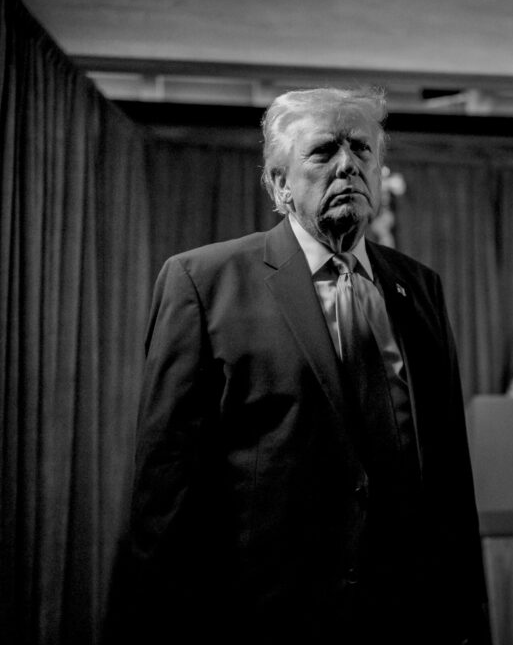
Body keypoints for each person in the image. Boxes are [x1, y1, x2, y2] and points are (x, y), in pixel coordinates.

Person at [127, 87, 490, 644]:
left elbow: (447, 470)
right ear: (279, 184)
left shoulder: (419, 288)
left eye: (362, 150)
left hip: (405, 613)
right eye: (323, 151)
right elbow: (165, 488)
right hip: (264, 616)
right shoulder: (203, 283)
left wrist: (466, 615)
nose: (348, 165)